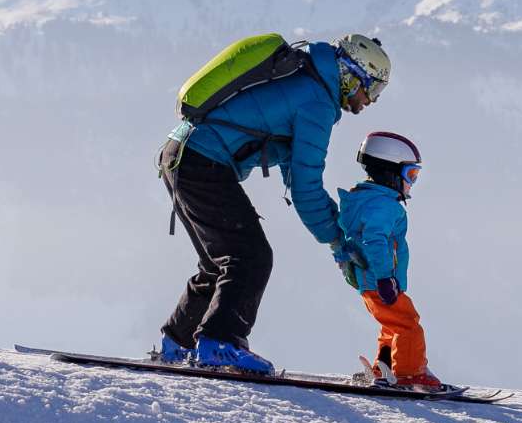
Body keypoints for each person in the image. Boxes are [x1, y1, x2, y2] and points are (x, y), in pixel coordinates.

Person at [156, 33, 393, 374]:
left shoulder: (302, 78)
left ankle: (177, 342)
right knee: (249, 257)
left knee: (220, 262)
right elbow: (307, 188)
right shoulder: (317, 102)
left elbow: (295, 178)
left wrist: (334, 239)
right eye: (371, 88)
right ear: (352, 74)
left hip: (180, 154)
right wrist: (339, 243)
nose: (369, 101)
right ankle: (220, 342)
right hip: (201, 162)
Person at [334, 131, 442, 392]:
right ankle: (409, 373)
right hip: (379, 280)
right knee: (408, 323)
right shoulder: (384, 206)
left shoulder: (364, 201)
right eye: (411, 175)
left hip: (371, 281)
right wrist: (385, 277)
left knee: (391, 326)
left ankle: (384, 368)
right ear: (390, 172)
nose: (411, 184)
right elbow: (375, 240)